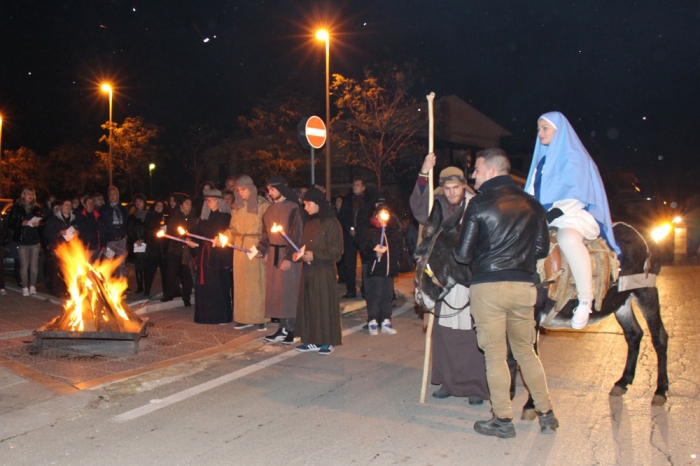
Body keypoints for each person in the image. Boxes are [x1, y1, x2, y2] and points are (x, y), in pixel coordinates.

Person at [454, 148, 558, 439]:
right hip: (524, 287)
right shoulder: (533, 205)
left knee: (496, 356)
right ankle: (547, 414)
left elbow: (462, 254)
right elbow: (541, 250)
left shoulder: (479, 204)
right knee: (527, 352)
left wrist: (483, 257)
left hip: (489, 287)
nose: (472, 174)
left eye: (476, 168)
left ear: (490, 171)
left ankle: (502, 419)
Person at [525, 111, 620, 329]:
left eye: (544, 128)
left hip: (571, 216)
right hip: (542, 217)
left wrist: (553, 213)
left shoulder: (576, 159)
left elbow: (577, 194)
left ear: (559, 131)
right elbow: (530, 191)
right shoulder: (542, 162)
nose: (540, 133)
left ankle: (585, 300)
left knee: (568, 239)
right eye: (538, 129)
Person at [409, 154, 489, 405]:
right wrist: (423, 172)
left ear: (463, 186)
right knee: (443, 331)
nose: (452, 192)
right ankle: (448, 382)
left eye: (456, 187)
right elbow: (418, 210)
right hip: (442, 274)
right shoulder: (437, 205)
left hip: (469, 275)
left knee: (471, 332)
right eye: (447, 188)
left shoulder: (476, 204)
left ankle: (476, 386)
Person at [293, 188, 344, 355]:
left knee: (323, 306)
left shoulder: (331, 223)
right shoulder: (309, 222)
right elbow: (304, 245)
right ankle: (311, 339)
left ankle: (327, 341)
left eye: (307, 204)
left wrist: (315, 255)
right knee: (309, 306)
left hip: (323, 271)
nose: (305, 208)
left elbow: (336, 250)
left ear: (317, 203)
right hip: (309, 271)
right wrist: (299, 254)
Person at [258, 176, 303, 344]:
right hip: (274, 256)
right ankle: (282, 328)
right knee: (277, 294)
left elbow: (296, 234)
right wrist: (262, 250)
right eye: (268, 190)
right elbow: (265, 234)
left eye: (272, 189)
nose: (270, 192)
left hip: (287, 256)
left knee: (288, 293)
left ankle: (292, 329)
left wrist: (290, 257)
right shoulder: (269, 211)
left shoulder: (293, 208)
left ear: (281, 189)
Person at [224, 175, 270, 330]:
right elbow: (233, 229)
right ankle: (244, 317)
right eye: (238, 190)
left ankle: (260, 317)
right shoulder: (236, 207)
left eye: (243, 189)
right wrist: (224, 237)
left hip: (255, 247)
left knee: (257, 284)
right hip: (239, 249)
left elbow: (268, 230)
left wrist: (264, 249)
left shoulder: (263, 205)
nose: (241, 193)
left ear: (251, 189)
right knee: (241, 284)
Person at [187, 190, 233, 324]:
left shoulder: (225, 217)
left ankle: (222, 316)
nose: (209, 202)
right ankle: (205, 316)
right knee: (205, 286)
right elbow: (198, 236)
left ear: (219, 200)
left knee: (219, 285)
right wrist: (192, 242)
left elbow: (228, 236)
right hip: (204, 256)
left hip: (218, 256)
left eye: (212, 200)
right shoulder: (203, 220)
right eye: (207, 200)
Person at [360, 199, 402, 335]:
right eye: (380, 213)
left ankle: (386, 320)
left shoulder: (393, 231)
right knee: (375, 295)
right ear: (376, 215)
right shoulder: (371, 231)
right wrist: (374, 253)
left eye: (386, 213)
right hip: (375, 269)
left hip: (389, 270)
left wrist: (397, 262)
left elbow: (398, 250)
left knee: (387, 295)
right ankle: (372, 320)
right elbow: (364, 250)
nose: (383, 216)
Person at [8, 187, 45, 296]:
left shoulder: (37, 208)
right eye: (28, 194)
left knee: (34, 266)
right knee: (24, 265)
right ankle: (24, 287)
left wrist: (39, 224)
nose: (30, 196)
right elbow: (10, 223)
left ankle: (32, 286)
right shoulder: (16, 208)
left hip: (34, 239)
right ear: (23, 195)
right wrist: (20, 223)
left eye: (32, 194)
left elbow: (43, 223)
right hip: (22, 240)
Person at [162, 195, 197, 305]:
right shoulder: (175, 217)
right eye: (186, 203)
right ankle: (168, 294)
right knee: (172, 272)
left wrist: (191, 239)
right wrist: (182, 238)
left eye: (190, 203)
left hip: (187, 251)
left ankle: (186, 298)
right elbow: (172, 232)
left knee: (187, 274)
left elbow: (196, 232)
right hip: (175, 249)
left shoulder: (194, 218)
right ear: (181, 205)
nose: (189, 206)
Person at [338, 178, 369, 298]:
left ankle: (365, 290)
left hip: (362, 236)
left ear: (363, 187)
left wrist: (361, 230)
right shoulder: (348, 200)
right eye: (354, 185)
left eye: (357, 185)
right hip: (350, 237)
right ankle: (351, 290)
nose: (354, 187)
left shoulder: (367, 201)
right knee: (349, 264)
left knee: (365, 263)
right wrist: (350, 228)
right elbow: (342, 217)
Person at [43, 199, 77, 297]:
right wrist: (59, 233)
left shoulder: (74, 219)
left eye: (70, 205)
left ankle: (68, 290)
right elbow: (47, 233)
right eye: (66, 205)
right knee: (57, 271)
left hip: (70, 248)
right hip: (58, 248)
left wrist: (78, 232)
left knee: (68, 271)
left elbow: (81, 230)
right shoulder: (54, 219)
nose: (68, 207)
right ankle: (57, 292)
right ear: (61, 206)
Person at [98, 186, 128, 278]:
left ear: (118, 195)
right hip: (110, 241)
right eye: (110, 194)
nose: (112, 196)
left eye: (114, 194)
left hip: (121, 240)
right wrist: (103, 244)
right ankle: (106, 285)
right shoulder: (104, 209)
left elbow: (127, 223)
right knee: (107, 263)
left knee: (121, 264)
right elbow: (101, 227)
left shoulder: (123, 209)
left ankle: (122, 284)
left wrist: (126, 235)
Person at [143, 200, 168, 298]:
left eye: (161, 205)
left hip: (163, 248)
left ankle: (166, 292)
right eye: (157, 205)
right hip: (153, 247)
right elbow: (146, 230)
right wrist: (155, 232)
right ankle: (147, 291)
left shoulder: (166, 217)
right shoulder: (150, 216)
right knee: (150, 270)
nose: (159, 207)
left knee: (165, 271)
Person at [127, 194, 149, 294]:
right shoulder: (132, 217)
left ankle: (147, 286)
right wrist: (136, 239)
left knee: (147, 265)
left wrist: (143, 239)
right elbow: (130, 230)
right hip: (136, 244)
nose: (138, 203)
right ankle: (140, 286)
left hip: (146, 243)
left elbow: (150, 230)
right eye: (136, 202)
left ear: (144, 202)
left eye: (140, 201)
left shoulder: (148, 215)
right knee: (138, 266)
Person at [682, 193, 700, 259]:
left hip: (690, 222)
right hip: (697, 222)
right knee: (696, 238)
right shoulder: (697, 201)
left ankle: (689, 252)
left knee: (690, 238)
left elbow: (686, 210)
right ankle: (693, 253)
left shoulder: (690, 200)